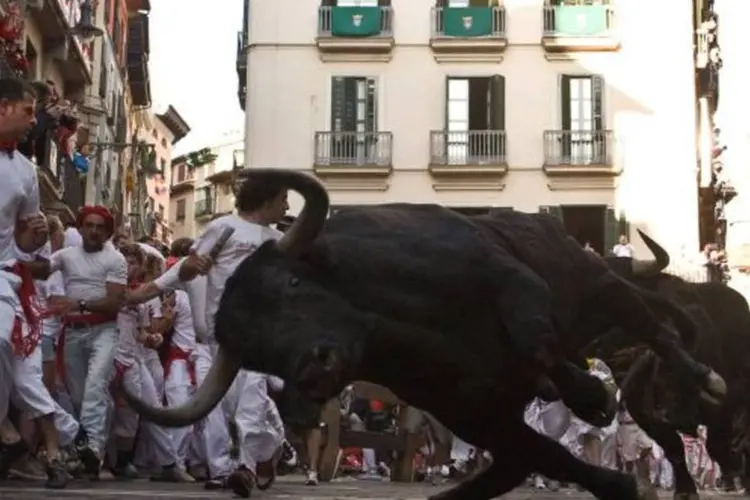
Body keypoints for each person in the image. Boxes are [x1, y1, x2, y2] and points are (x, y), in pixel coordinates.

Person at [175, 176, 289, 498]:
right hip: (221, 329)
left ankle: (244, 468)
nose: (287, 206)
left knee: (251, 393)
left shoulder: (281, 239)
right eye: (283, 198)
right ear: (266, 199)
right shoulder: (223, 227)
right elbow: (186, 271)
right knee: (228, 403)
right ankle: (270, 448)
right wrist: (195, 264)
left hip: (258, 330)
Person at [46, 205, 127, 479]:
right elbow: (41, 267)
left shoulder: (115, 259)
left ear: (107, 232)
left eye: (100, 227)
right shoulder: (66, 256)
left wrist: (77, 303)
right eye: (89, 225)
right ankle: (89, 449)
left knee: (94, 389)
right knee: (80, 397)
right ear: (79, 228)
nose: (94, 231)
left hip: (103, 331)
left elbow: (115, 302)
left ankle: (92, 450)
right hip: (72, 333)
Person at [0, 78, 51, 482]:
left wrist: (33, 238)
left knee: (1, 339)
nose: (35, 120)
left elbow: (23, 234)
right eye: (28, 111)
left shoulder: (26, 169)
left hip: (2, 274)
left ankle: (4, 429)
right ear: (3, 108)